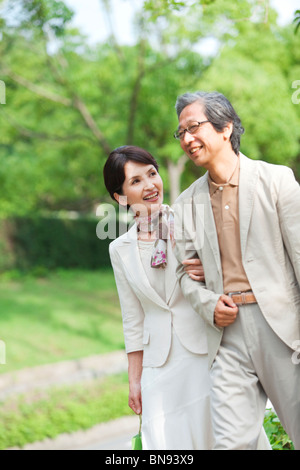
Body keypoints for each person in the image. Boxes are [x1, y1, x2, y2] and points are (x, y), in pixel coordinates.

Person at [103, 145, 270, 450]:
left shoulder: (194, 222)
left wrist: (210, 268)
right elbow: (133, 318)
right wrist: (135, 379)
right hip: (159, 368)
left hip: (206, 354)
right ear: (120, 197)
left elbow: (237, 274)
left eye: (152, 174)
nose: (150, 185)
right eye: (136, 181)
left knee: (226, 436)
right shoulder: (119, 249)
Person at [172, 90, 300, 450]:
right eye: (180, 133)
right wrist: (207, 303)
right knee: (231, 444)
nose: (186, 139)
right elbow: (185, 274)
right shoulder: (185, 205)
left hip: (283, 328)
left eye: (193, 127)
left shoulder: (277, 181)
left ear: (225, 127)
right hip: (226, 336)